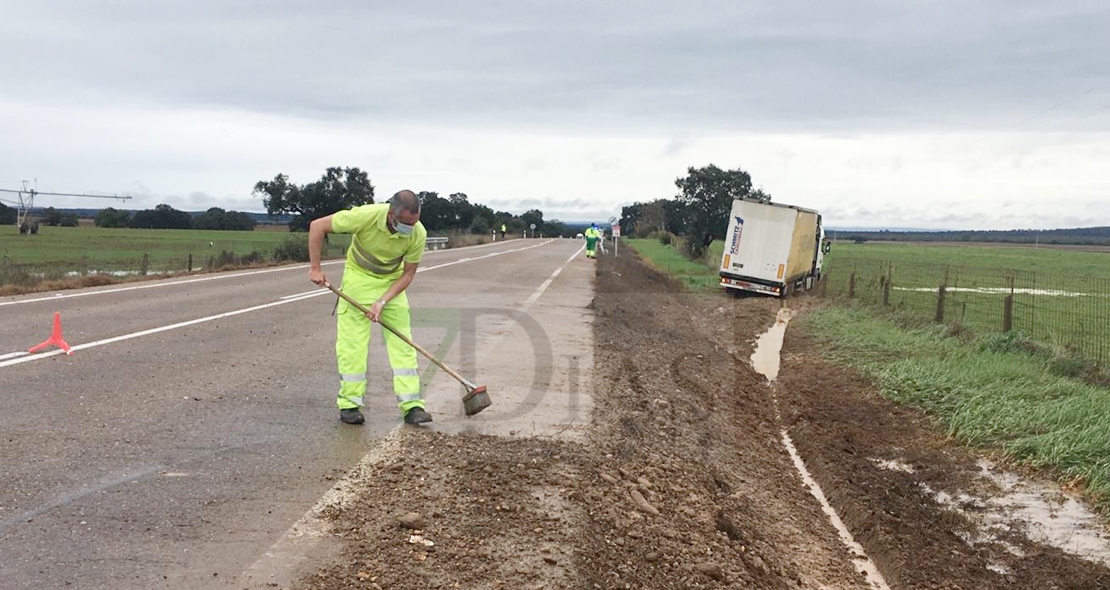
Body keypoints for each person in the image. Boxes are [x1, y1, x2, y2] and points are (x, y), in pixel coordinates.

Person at [308, 190, 432, 426]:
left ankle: (412, 406)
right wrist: (315, 267)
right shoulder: (366, 216)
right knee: (352, 345)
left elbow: (409, 273)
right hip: (359, 278)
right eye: (405, 223)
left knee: (403, 343)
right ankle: (350, 404)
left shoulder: (418, 233)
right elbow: (317, 226)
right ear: (390, 214)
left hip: (391, 283)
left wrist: (382, 301)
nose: (410, 228)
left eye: (414, 223)